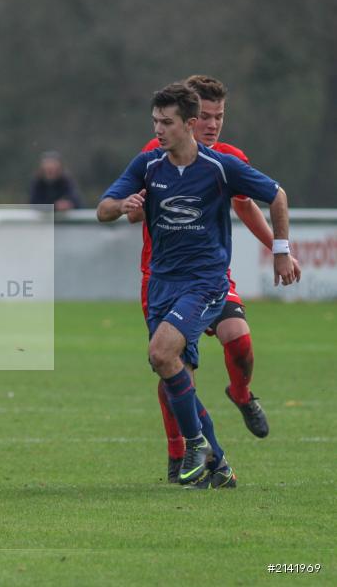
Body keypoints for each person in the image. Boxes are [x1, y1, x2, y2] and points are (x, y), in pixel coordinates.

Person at [97, 83, 296, 488]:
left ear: (185, 125)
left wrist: (280, 250)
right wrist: (123, 206)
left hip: (205, 282)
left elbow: (275, 195)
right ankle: (218, 467)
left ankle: (197, 441)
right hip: (160, 283)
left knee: (164, 351)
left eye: (165, 123)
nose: (158, 130)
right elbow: (104, 209)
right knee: (170, 369)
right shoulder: (149, 165)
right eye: (155, 122)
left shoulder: (221, 166)